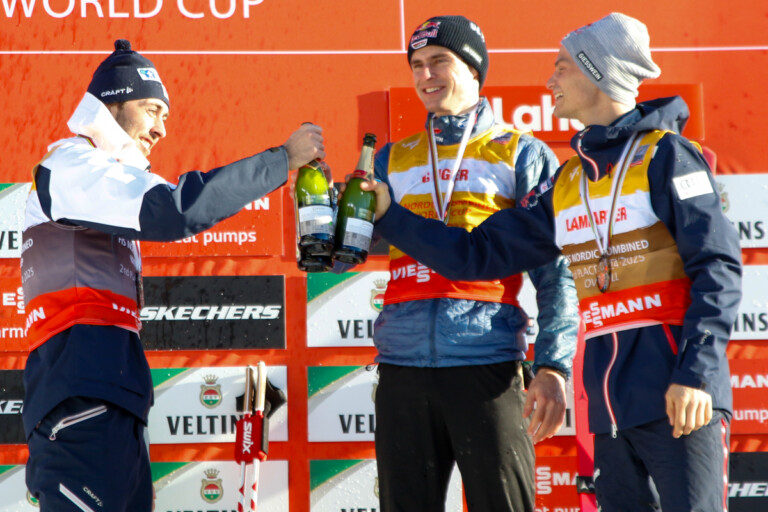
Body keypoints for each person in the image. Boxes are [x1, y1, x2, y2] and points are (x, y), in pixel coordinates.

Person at [367, 13, 742, 512]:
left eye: (562, 68)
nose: (550, 81)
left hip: (677, 393)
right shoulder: (567, 182)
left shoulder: (669, 156)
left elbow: (717, 267)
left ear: (598, 73)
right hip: (609, 408)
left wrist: (697, 372)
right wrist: (391, 216)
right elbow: (476, 254)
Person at [21, 39, 324, 511]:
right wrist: (280, 161)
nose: (162, 129)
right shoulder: (72, 166)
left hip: (110, 409)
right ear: (113, 103)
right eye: (151, 109)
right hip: (79, 408)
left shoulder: (106, 179)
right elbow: (175, 211)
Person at [368, 15, 579, 512]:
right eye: (417, 65)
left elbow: (557, 273)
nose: (425, 76)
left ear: (474, 67)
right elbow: (351, 251)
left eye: (439, 61)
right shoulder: (391, 160)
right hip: (400, 367)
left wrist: (552, 365)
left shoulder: (521, 152)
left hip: (487, 364)